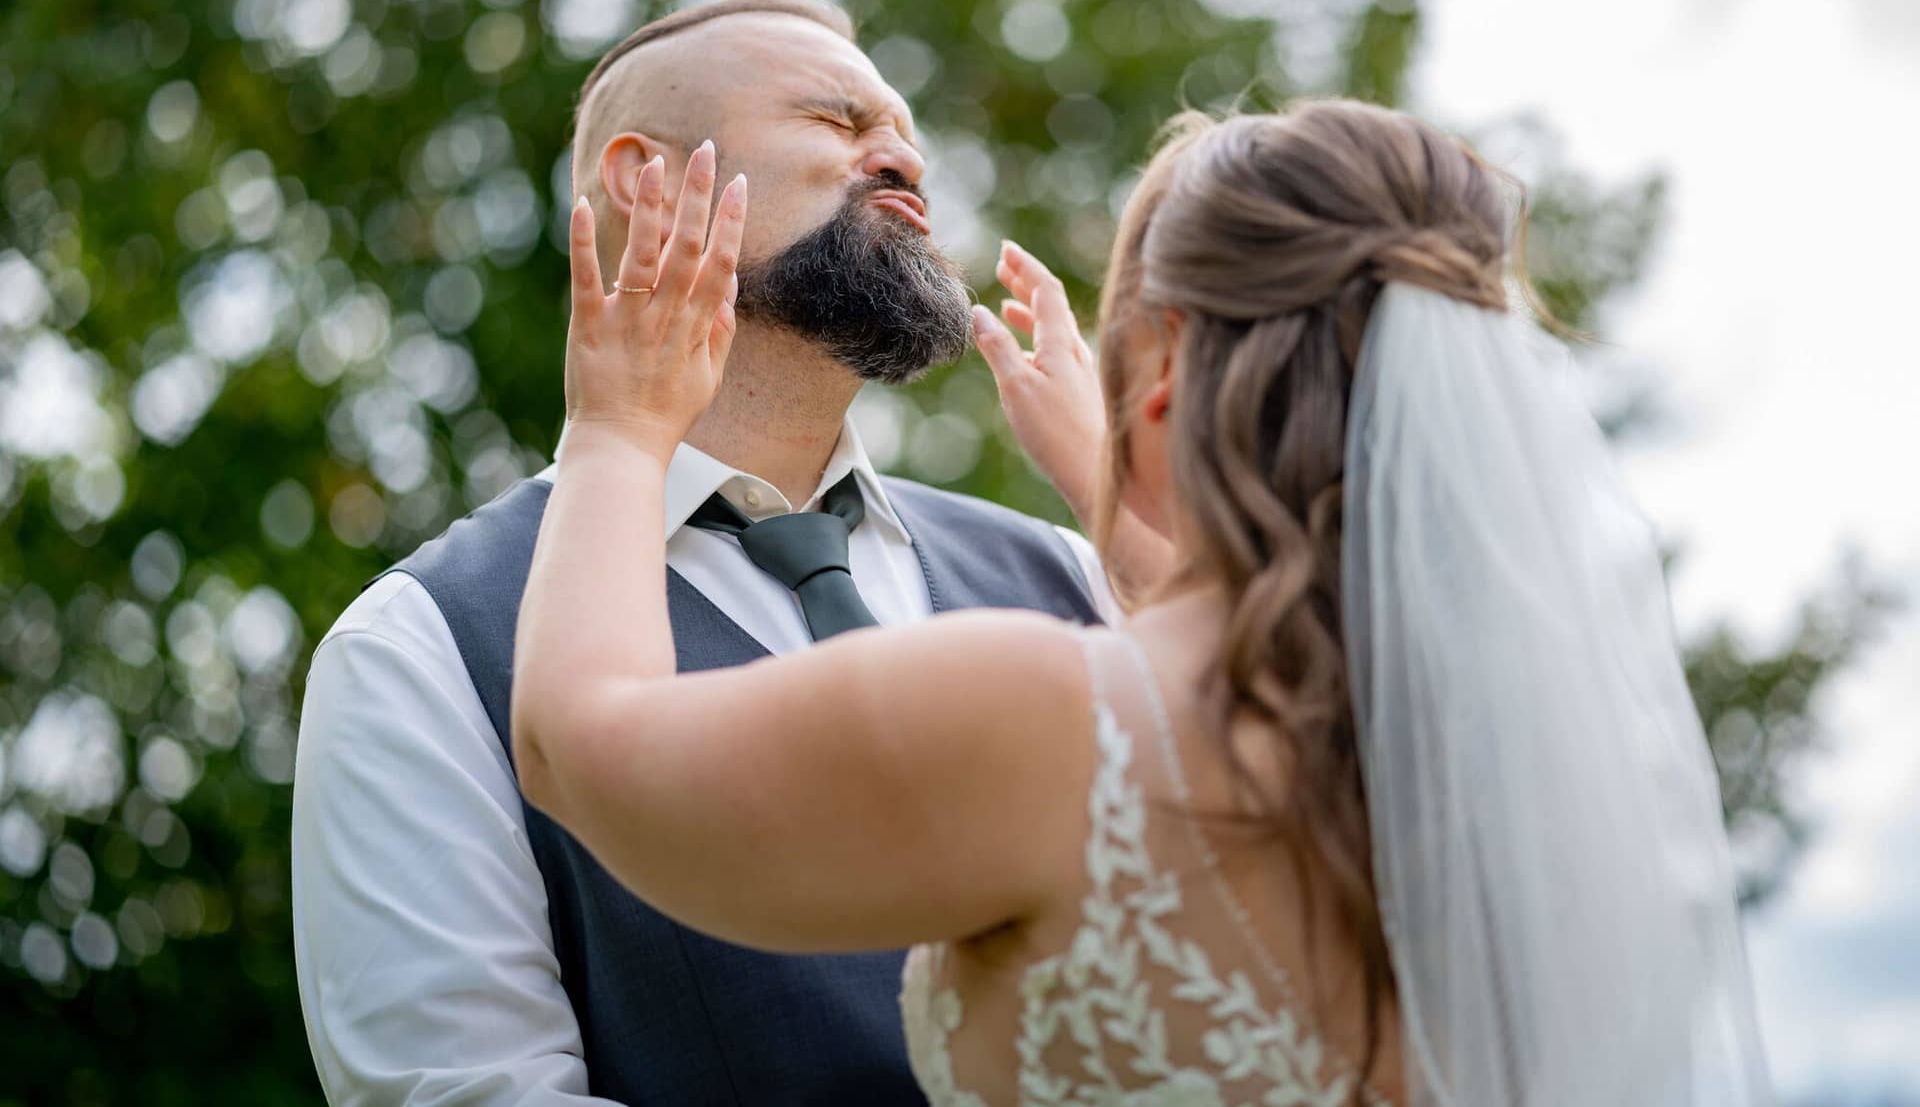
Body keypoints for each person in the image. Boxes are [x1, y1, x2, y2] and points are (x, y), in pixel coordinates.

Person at [513, 98, 1775, 1105]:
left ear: (1162, 375)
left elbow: (577, 743)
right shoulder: (1493, 778)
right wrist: (1135, 501)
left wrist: (622, 429)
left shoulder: (1046, 711)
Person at [290, 0, 1119, 1105]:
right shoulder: (422, 646)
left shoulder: (1068, 567)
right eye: (840, 121)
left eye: (909, 137)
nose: (904, 158)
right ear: (648, 178)